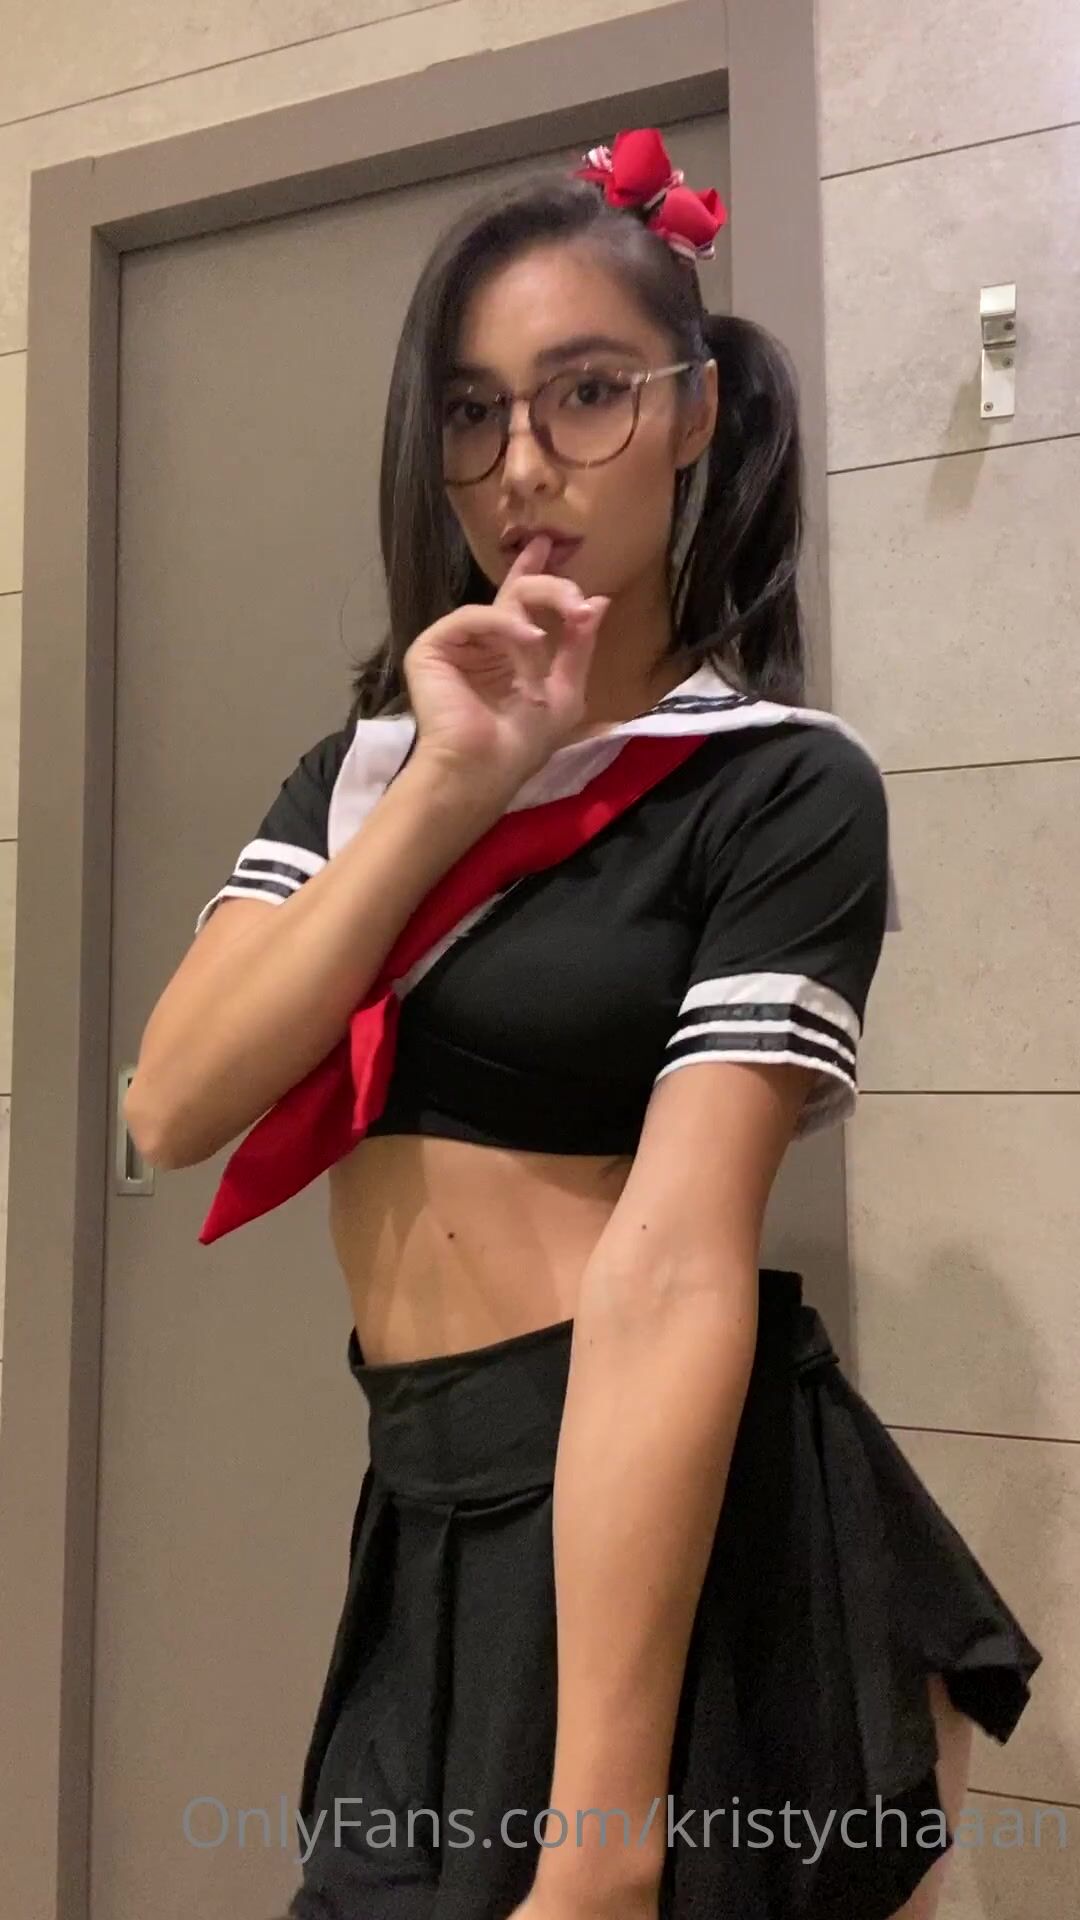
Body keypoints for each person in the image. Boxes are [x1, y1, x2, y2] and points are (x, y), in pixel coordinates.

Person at [128, 129, 1041, 1920]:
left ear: (696, 412)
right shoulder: (369, 777)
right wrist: (450, 786)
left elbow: (676, 1267)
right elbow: (173, 1103)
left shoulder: (780, 789)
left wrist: (604, 1842)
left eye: (589, 394)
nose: (523, 463)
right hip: (427, 1501)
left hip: (656, 1526)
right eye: (474, 413)